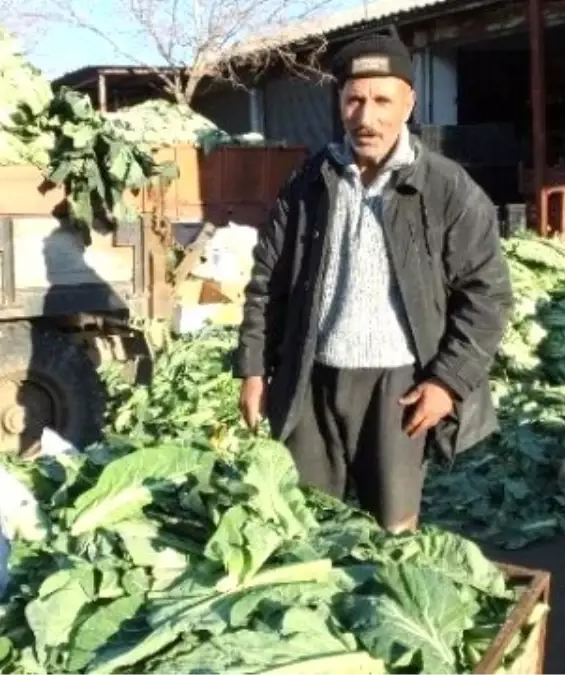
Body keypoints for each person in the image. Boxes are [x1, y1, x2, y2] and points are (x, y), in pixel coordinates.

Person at [234, 33, 513, 533]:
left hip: (398, 389)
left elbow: (487, 295)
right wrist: (253, 369)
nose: (367, 117)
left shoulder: (447, 189)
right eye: (354, 99)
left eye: (382, 100)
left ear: (408, 102)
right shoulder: (309, 183)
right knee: (309, 528)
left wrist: (447, 381)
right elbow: (267, 282)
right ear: (340, 104)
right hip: (311, 380)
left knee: (391, 531)